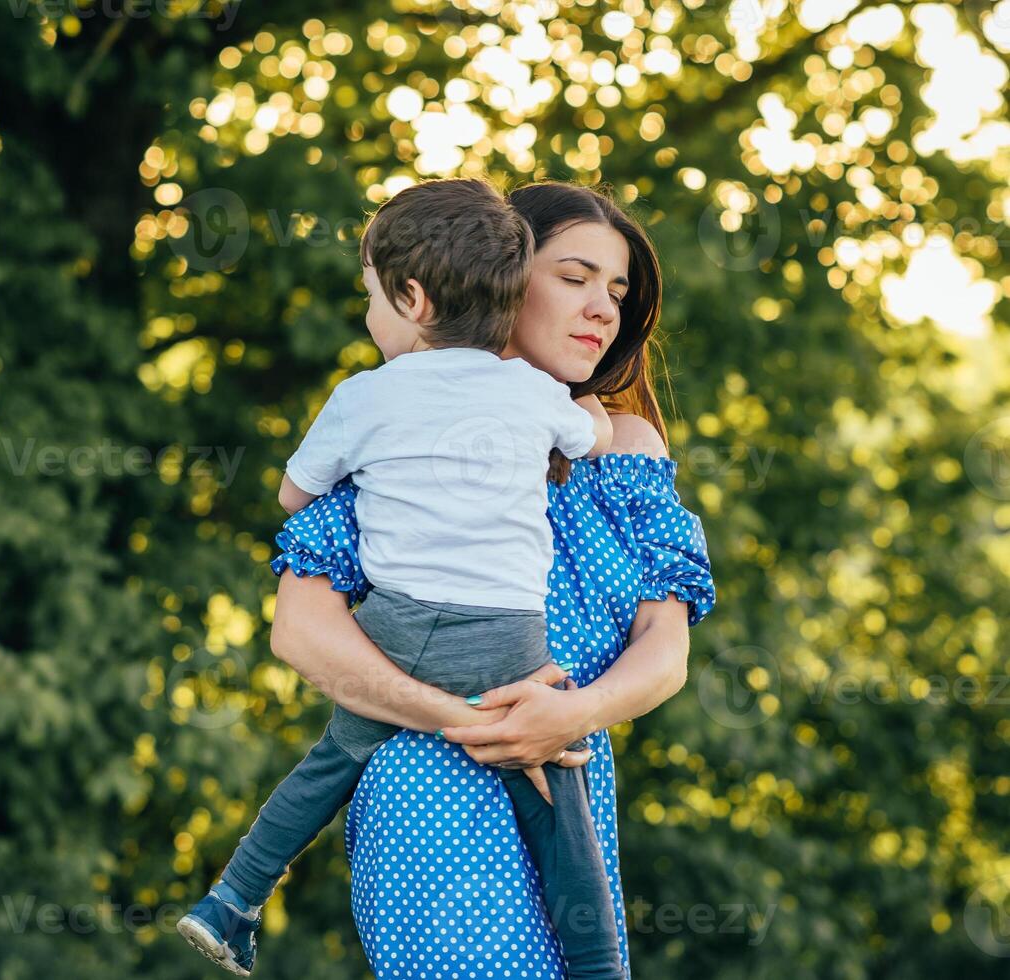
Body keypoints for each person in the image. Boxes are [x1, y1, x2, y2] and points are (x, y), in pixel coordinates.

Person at [178, 177, 631, 979]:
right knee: (563, 808)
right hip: (512, 648)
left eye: (370, 299)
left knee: (328, 762)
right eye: (574, 277)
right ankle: (599, 968)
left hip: (402, 628)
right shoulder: (534, 395)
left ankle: (232, 900)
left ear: (414, 297)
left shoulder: (363, 399)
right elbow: (588, 435)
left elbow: (293, 495)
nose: (602, 306)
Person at [266, 182, 717, 978]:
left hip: (567, 804)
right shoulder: (403, 426)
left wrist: (566, 715)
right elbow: (301, 631)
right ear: (500, 277)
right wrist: (471, 723)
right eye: (575, 278)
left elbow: (665, 646)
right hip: (432, 799)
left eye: (616, 291)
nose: (604, 308)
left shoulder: (628, 450)